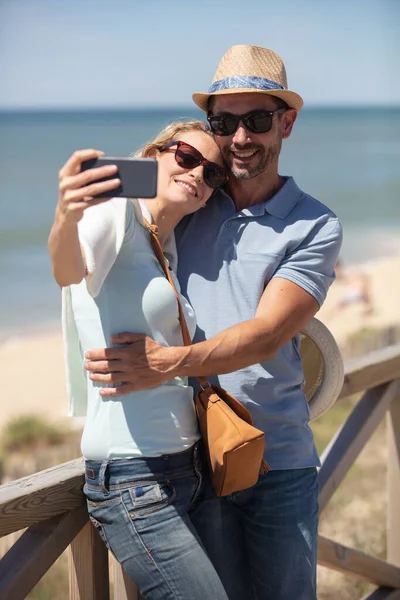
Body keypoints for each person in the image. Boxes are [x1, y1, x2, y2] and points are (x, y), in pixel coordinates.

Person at [84, 45, 343, 600]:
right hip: (193, 464)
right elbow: (92, 180)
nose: (241, 138)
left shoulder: (315, 224)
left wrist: (165, 364)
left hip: (278, 463)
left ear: (287, 123)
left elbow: (269, 334)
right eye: (224, 122)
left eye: (257, 120)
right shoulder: (194, 188)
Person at [48, 121, 230, 600]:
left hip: (189, 470)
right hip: (134, 478)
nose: (198, 174)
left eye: (213, 173)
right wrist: (67, 215)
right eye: (187, 157)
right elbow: (69, 270)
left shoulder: (164, 245)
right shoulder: (114, 214)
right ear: (155, 155)